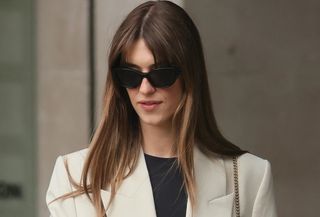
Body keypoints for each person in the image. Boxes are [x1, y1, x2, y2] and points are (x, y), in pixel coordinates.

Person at [46, 1, 278, 217]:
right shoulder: (75, 176)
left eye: (160, 74)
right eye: (131, 75)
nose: (145, 88)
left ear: (189, 75)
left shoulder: (249, 176)